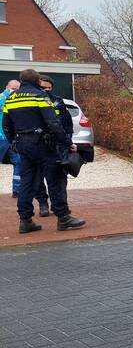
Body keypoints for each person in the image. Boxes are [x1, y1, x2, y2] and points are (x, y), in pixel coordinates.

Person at [1, 68, 85, 233]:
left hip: (23, 146)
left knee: (27, 183)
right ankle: (63, 218)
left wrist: (15, 142)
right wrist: (68, 142)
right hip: (44, 145)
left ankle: (25, 221)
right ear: (37, 81)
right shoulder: (40, 96)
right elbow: (53, 123)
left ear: (22, 81)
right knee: (55, 180)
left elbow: (6, 125)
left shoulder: (11, 99)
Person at [32, 75, 73, 217]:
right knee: (37, 178)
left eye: (49, 88)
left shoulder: (58, 101)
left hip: (58, 145)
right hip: (38, 144)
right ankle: (43, 203)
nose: (46, 90)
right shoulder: (32, 101)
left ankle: (61, 206)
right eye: (43, 88)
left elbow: (67, 123)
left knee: (60, 178)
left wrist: (68, 142)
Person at [0, 80, 21, 198]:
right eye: (13, 88)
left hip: (13, 138)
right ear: (6, 87)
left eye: (17, 89)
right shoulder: (1, 98)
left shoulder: (19, 100)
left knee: (18, 163)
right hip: (1, 137)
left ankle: (17, 190)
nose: (14, 90)